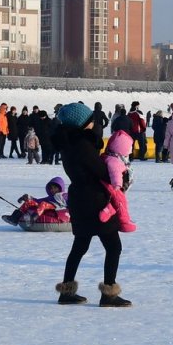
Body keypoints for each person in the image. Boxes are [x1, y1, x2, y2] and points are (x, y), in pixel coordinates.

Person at [53, 102, 131, 307]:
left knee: (80, 246)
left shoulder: (69, 143)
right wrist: (120, 174)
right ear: (83, 124)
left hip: (79, 199)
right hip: (93, 200)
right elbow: (102, 172)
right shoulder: (82, 146)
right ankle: (109, 294)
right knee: (113, 246)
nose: (94, 123)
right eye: (91, 120)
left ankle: (67, 292)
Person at [98, 129, 137, 232]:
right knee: (121, 201)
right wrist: (117, 184)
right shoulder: (114, 160)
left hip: (107, 185)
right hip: (112, 186)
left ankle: (109, 210)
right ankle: (125, 222)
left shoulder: (109, 156)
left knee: (117, 201)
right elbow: (114, 172)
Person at [2, 177, 69, 227]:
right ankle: (14, 218)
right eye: (51, 188)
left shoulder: (64, 195)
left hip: (59, 207)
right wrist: (27, 197)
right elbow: (38, 201)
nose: (52, 190)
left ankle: (32, 220)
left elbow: (72, 201)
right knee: (29, 202)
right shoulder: (50, 197)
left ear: (60, 187)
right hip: (49, 205)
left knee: (43, 204)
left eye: (55, 188)